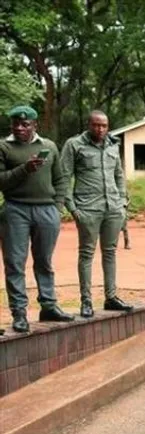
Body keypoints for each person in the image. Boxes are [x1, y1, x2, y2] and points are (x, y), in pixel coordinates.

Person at [0, 105, 74, 333]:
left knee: (44, 261)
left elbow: (61, 179)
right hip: (15, 210)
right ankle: (20, 314)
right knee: (15, 263)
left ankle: (49, 306)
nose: (20, 128)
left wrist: (58, 207)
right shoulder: (4, 147)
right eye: (16, 124)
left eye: (25, 124)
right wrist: (25, 169)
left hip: (46, 211)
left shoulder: (49, 147)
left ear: (35, 125)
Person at [62, 110, 133, 318]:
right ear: (88, 124)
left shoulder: (113, 145)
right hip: (87, 209)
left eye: (103, 125)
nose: (100, 129)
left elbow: (119, 175)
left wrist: (122, 202)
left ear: (108, 126)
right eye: (96, 125)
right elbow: (64, 178)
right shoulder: (74, 145)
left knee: (110, 252)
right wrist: (73, 209)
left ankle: (111, 297)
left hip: (113, 208)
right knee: (86, 254)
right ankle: (86, 300)